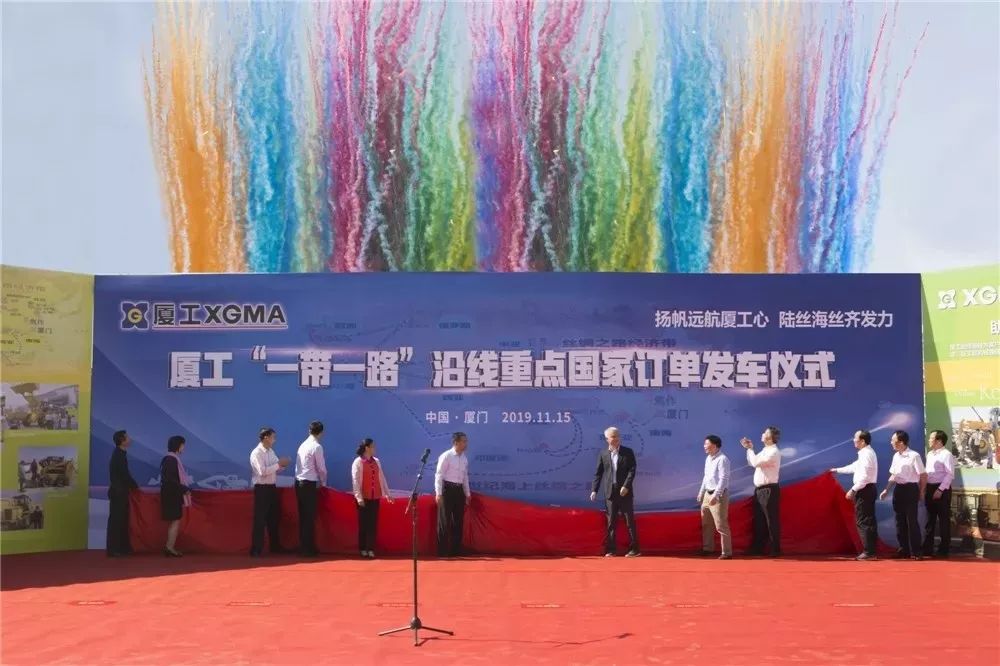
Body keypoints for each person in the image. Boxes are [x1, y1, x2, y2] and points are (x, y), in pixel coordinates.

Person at [590, 426, 639, 557]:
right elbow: (598, 473)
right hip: (610, 493)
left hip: (624, 492)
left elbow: (632, 470)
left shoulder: (628, 452)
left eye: (617, 436)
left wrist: (626, 486)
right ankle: (611, 549)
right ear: (607, 439)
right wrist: (594, 490)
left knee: (629, 521)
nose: (616, 438)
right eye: (613, 436)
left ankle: (635, 549)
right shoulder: (603, 454)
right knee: (611, 522)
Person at [831, 430, 879, 560]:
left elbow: (864, 477)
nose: (853, 440)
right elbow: (854, 467)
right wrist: (837, 470)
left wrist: (853, 490)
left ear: (862, 441)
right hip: (866, 489)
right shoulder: (865, 453)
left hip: (864, 490)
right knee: (867, 520)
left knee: (864, 521)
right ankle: (871, 551)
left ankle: (869, 552)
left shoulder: (867, 454)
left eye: (855, 438)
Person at [879, 430, 927, 559]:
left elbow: (923, 475)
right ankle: (903, 549)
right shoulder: (896, 456)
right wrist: (886, 490)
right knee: (899, 521)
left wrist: (922, 492)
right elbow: (894, 475)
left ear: (901, 442)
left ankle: (916, 551)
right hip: (899, 489)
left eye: (893, 440)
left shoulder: (914, 456)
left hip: (911, 489)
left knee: (912, 521)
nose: (891, 442)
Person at [249, 427, 291, 557]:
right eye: (273, 437)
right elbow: (262, 471)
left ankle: (275, 546)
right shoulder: (256, 453)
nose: (274, 440)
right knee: (260, 519)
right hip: (261, 489)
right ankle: (256, 549)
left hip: (272, 488)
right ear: (266, 437)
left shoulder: (271, 451)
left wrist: (282, 465)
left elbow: (275, 468)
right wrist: (278, 465)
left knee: (274, 518)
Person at [741, 426, 782, 557]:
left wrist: (750, 449)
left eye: (765, 432)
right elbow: (751, 462)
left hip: (769, 489)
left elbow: (755, 463)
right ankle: (758, 548)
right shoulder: (765, 450)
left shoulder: (774, 452)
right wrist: (750, 449)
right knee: (759, 520)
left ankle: (775, 549)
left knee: (771, 520)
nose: (763, 434)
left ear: (771, 437)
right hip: (759, 490)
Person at [351, 438, 393, 559]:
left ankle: (370, 549)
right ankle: (362, 548)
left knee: (372, 524)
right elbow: (355, 481)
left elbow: (382, 478)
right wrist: (358, 497)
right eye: (372, 446)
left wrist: (388, 494)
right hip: (363, 498)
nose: (374, 448)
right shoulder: (358, 462)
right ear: (367, 448)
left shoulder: (376, 461)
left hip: (375, 496)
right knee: (363, 524)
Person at [435, 432, 471, 557]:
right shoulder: (447, 456)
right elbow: (439, 475)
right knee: (444, 521)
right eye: (463, 441)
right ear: (456, 442)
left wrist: (467, 493)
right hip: (447, 490)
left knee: (458, 521)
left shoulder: (464, 458)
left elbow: (465, 477)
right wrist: (438, 493)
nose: (466, 444)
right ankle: (443, 551)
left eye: (466, 441)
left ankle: (456, 550)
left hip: (459, 491)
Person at [295, 421, 327, 557]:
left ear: (309, 431)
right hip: (308, 484)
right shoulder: (316, 447)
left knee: (303, 516)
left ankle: (304, 546)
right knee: (309, 516)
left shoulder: (302, 445)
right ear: (321, 433)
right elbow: (321, 468)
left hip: (299, 482)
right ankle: (308, 548)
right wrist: (323, 483)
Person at [697, 435, 731, 559]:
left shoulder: (723, 459)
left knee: (721, 524)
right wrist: (701, 492)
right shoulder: (708, 458)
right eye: (705, 444)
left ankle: (726, 552)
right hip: (707, 494)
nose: (704, 446)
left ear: (715, 445)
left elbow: (723, 479)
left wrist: (716, 495)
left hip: (719, 495)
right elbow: (706, 477)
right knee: (706, 523)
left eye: (707, 444)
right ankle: (708, 548)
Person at [922, 429, 955, 558]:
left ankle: (943, 549)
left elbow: (950, 474)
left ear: (939, 441)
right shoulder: (930, 454)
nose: (929, 440)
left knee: (943, 520)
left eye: (931, 438)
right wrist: (924, 488)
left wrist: (940, 490)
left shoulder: (946, 455)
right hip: (930, 488)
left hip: (942, 489)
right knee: (930, 520)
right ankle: (927, 549)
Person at [107, 429, 139, 557]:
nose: (130, 439)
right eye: (127, 437)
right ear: (122, 441)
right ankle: (114, 549)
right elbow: (124, 475)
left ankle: (122, 547)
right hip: (118, 493)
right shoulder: (118, 455)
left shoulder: (120, 454)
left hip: (121, 492)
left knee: (122, 520)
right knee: (117, 521)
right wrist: (135, 486)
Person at [160, 435, 191, 557]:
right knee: (175, 521)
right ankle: (169, 547)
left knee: (175, 521)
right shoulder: (171, 460)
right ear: (178, 446)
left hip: (171, 493)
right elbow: (171, 480)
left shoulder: (170, 459)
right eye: (183, 445)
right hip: (172, 494)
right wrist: (184, 489)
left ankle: (170, 546)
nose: (184, 448)